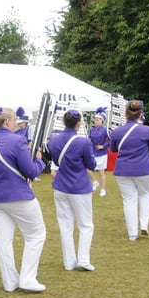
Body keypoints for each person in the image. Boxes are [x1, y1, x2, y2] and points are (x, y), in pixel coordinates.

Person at [0, 107, 47, 293]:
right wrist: (40, 161)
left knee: (4, 240)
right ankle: (27, 278)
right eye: (14, 120)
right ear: (8, 122)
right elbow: (31, 172)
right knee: (36, 234)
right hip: (18, 196)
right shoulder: (18, 140)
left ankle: (10, 281)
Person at [48, 110, 97, 271]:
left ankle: (69, 262)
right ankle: (83, 259)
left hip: (61, 185)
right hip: (79, 186)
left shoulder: (54, 140)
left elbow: (55, 160)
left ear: (63, 122)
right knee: (86, 225)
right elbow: (91, 164)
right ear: (79, 123)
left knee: (65, 225)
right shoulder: (83, 142)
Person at [110, 100, 149, 241]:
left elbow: (113, 149)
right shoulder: (147, 130)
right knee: (146, 195)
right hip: (143, 168)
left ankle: (132, 234)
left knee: (129, 200)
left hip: (123, 169)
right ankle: (144, 224)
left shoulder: (117, 131)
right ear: (140, 114)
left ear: (125, 114)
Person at [87, 107, 109, 196]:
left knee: (101, 172)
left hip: (102, 153)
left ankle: (103, 189)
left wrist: (103, 146)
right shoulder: (91, 129)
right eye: (95, 120)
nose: (96, 121)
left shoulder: (105, 129)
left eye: (98, 120)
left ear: (102, 121)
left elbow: (112, 141)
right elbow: (89, 138)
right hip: (92, 152)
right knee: (87, 169)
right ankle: (94, 182)